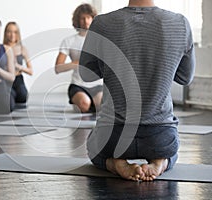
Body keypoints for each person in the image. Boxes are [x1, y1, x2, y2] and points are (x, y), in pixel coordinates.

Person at [79, 0, 195, 181]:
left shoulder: (102, 23)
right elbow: (184, 77)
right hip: (160, 136)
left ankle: (115, 164)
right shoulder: (180, 23)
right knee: (172, 152)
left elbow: (87, 75)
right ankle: (161, 162)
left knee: (94, 150)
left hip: (113, 136)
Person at [55, 3, 103, 113]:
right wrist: (78, 63)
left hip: (97, 85)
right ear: (78, 20)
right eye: (82, 18)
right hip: (78, 85)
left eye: (88, 17)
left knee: (103, 105)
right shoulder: (69, 41)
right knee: (84, 104)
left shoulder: (100, 40)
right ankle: (81, 103)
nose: (86, 21)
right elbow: (58, 68)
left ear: (93, 19)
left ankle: (92, 104)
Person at [3, 22, 33, 108]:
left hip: (18, 79)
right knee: (9, 98)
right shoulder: (2, 48)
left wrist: (17, 66)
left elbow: (30, 71)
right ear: (5, 33)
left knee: (22, 97)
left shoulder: (23, 49)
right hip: (6, 79)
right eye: (9, 32)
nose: (12, 35)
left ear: (18, 34)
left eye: (15, 32)